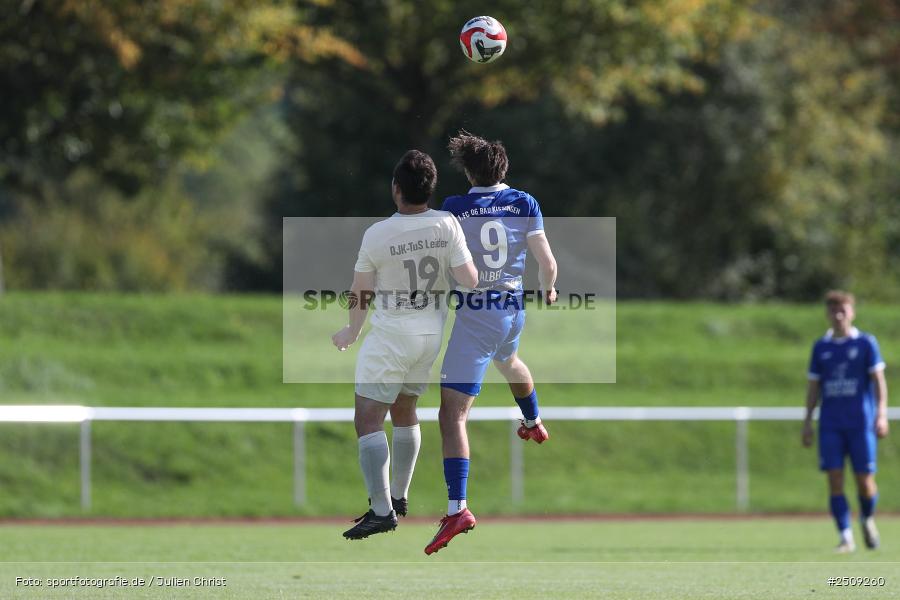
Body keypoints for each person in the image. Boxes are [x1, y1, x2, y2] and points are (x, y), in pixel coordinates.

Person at [424, 131, 558, 555]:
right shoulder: (523, 201)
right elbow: (547, 263)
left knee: (451, 416)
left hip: (477, 316)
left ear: (468, 170)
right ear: (505, 169)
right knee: (511, 359)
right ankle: (533, 422)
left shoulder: (455, 208)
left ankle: (457, 507)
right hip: (512, 310)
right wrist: (549, 289)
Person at [332, 150, 478, 540]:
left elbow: (360, 291)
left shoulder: (378, 233)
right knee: (405, 409)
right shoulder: (447, 223)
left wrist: (351, 331)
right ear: (430, 189)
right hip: (430, 336)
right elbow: (470, 278)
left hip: (392, 337)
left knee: (366, 419)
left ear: (396, 189)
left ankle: (381, 511)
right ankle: (398, 498)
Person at [802, 290, 888, 553]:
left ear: (852, 312)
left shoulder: (865, 344)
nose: (839, 315)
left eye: (843, 310)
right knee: (835, 479)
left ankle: (866, 518)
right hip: (831, 424)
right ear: (827, 314)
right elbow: (814, 387)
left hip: (860, 424)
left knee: (865, 482)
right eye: (833, 311)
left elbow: (878, 383)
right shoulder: (821, 347)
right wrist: (807, 421)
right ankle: (846, 536)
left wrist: (881, 414)